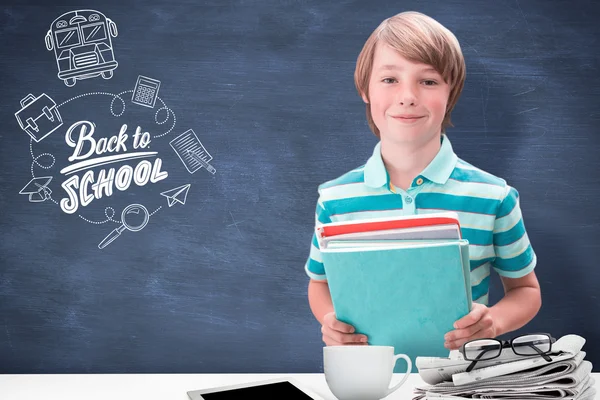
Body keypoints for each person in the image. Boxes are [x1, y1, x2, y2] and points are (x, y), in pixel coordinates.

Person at [305, 11, 541, 351]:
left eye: (428, 81)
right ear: (364, 89)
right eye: (390, 80)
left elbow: (526, 291)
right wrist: (330, 320)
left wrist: (494, 321)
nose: (408, 95)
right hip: (369, 379)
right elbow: (320, 283)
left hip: (460, 380)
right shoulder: (335, 198)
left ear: (451, 93)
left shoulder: (494, 197)